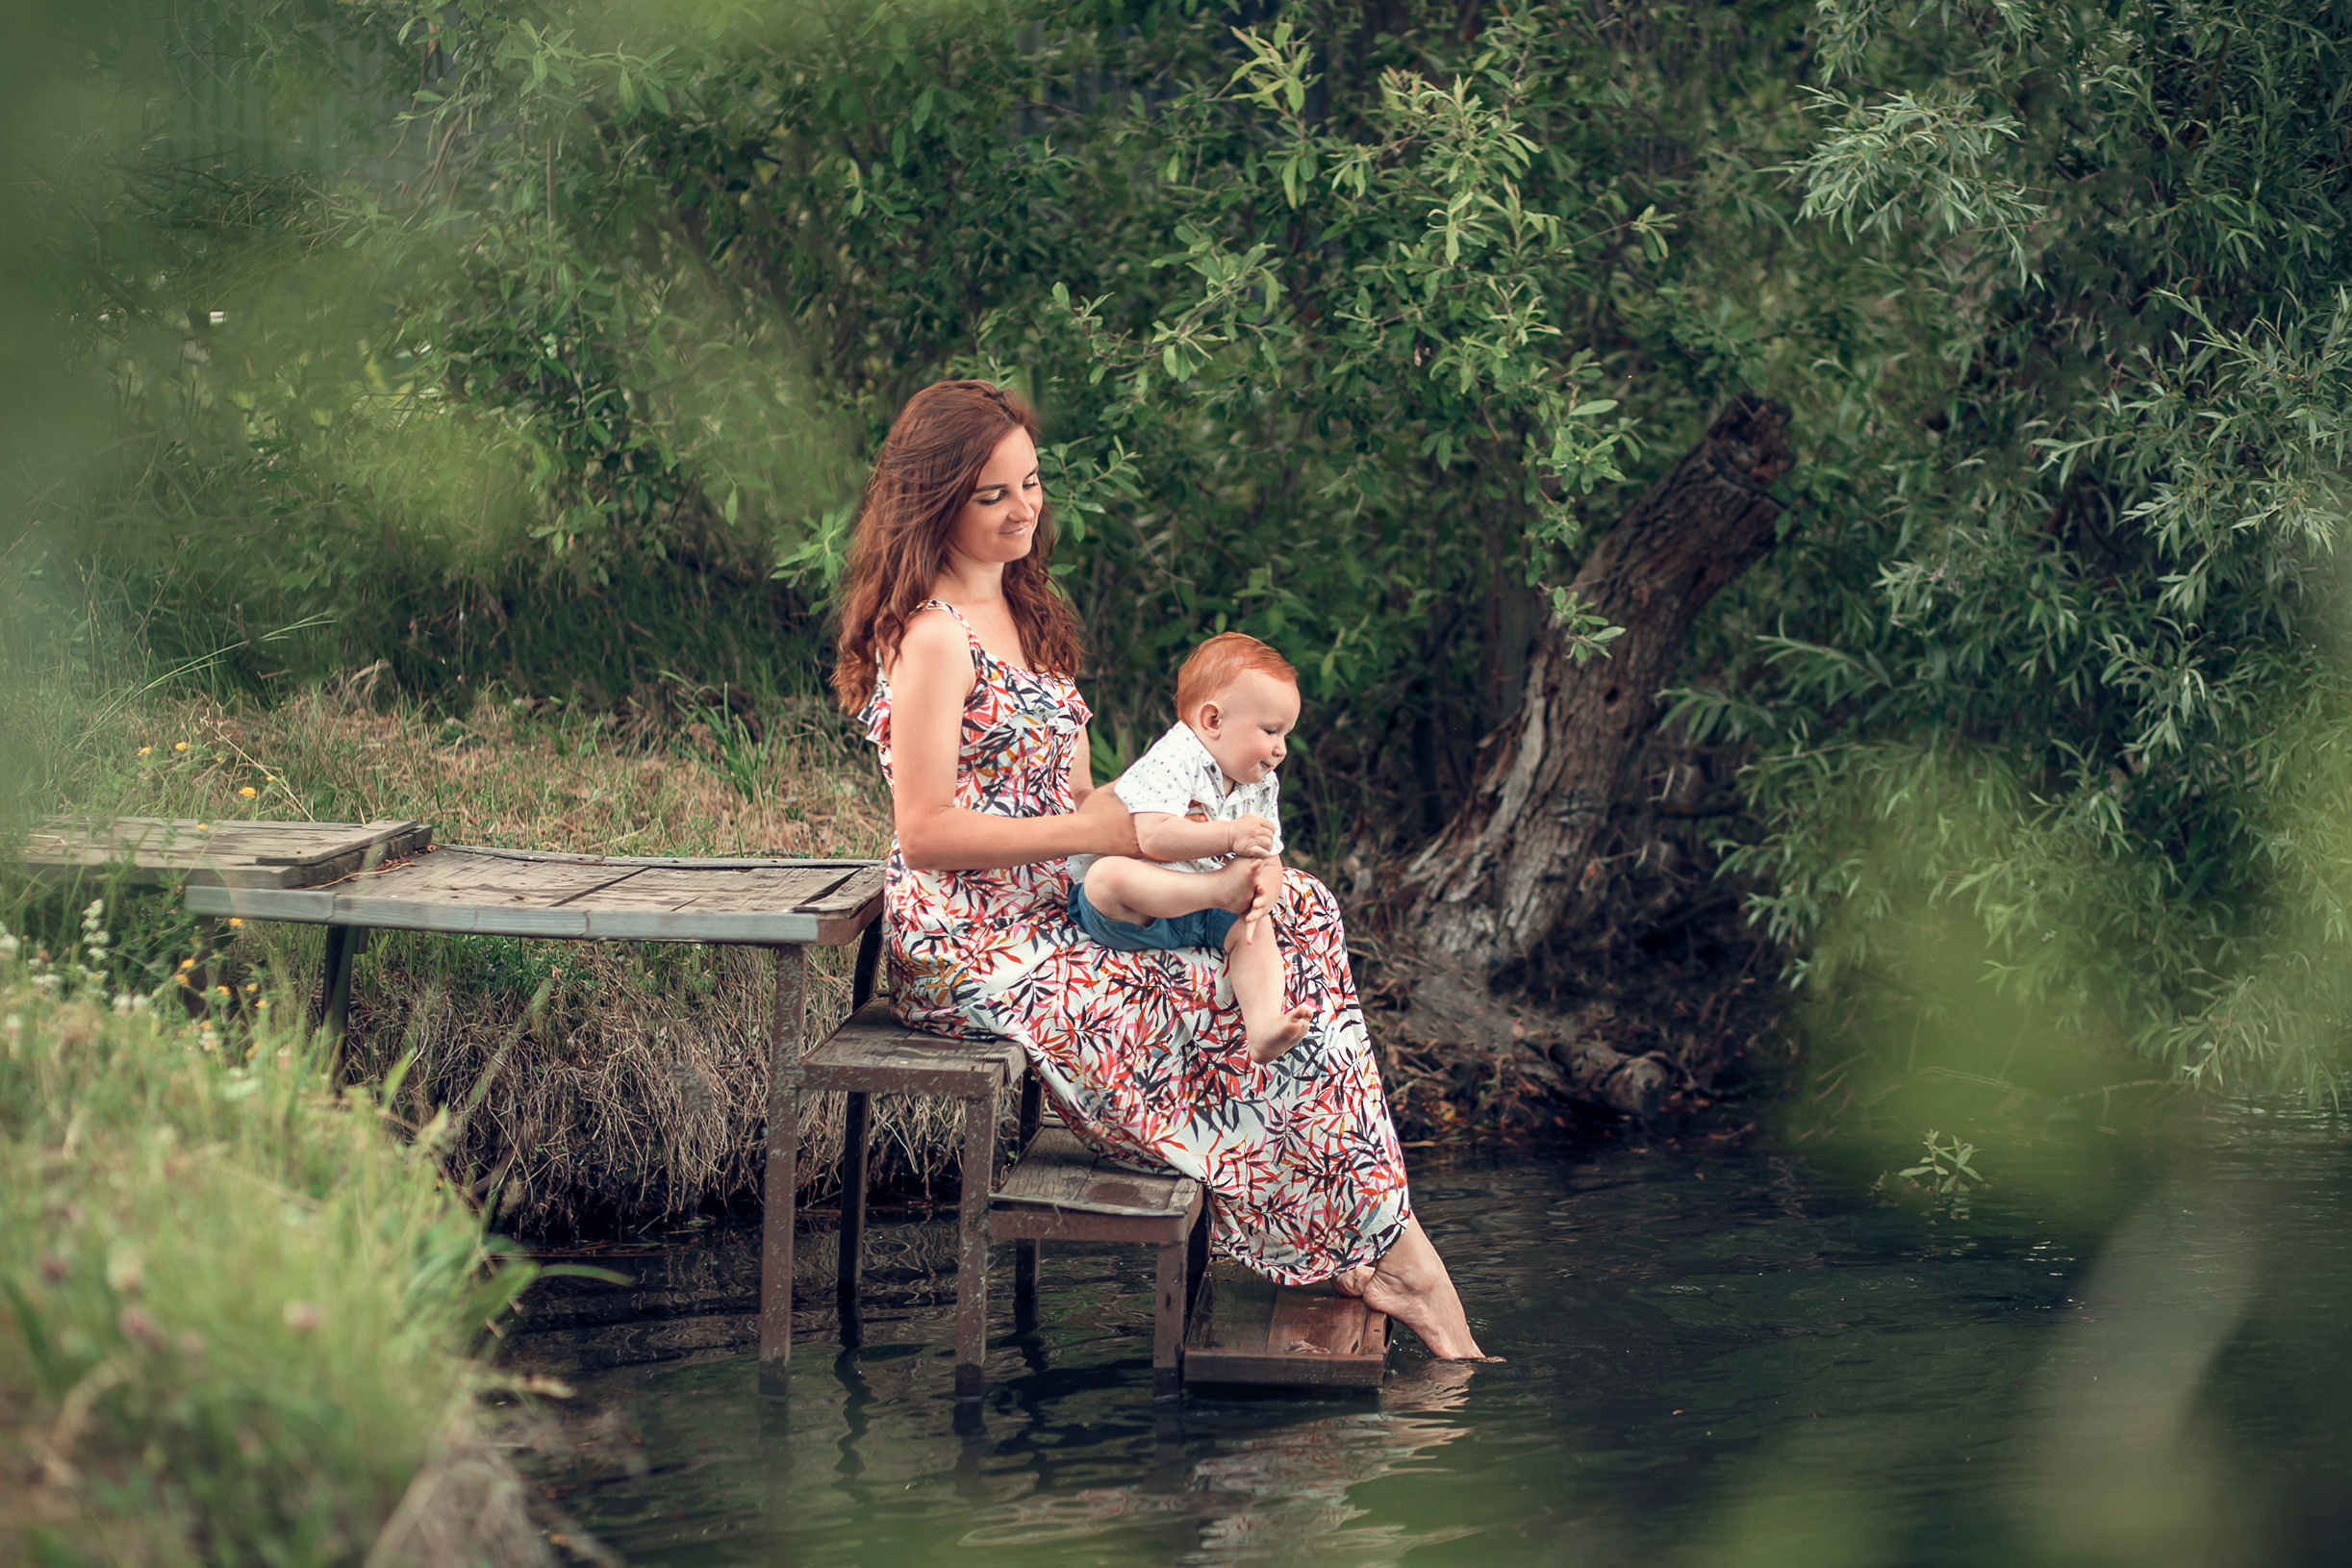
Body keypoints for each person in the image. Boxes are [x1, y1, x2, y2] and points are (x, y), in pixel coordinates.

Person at [831, 378, 1486, 1359]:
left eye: (1031, 484)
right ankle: (1382, 1254)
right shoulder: (933, 637)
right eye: (992, 495)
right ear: (933, 503)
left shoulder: (1025, 613)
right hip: (974, 939)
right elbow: (923, 834)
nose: (1022, 509)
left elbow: (1082, 802)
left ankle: (1367, 1232)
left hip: (1064, 895)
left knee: (1298, 911)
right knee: (1192, 993)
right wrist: (1096, 833)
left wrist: (1178, 835)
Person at [1067, 632, 1316, 1065]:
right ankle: (1219, 892)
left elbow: (1269, 855)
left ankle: (1263, 1026)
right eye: (1270, 731)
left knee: (1255, 931)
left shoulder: (1260, 782)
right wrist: (1228, 838)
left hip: (1200, 911)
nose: (1280, 749)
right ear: (1213, 720)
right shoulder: (1175, 757)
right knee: (1107, 876)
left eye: (1286, 735)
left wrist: (1266, 893)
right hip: (1136, 910)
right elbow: (1153, 837)